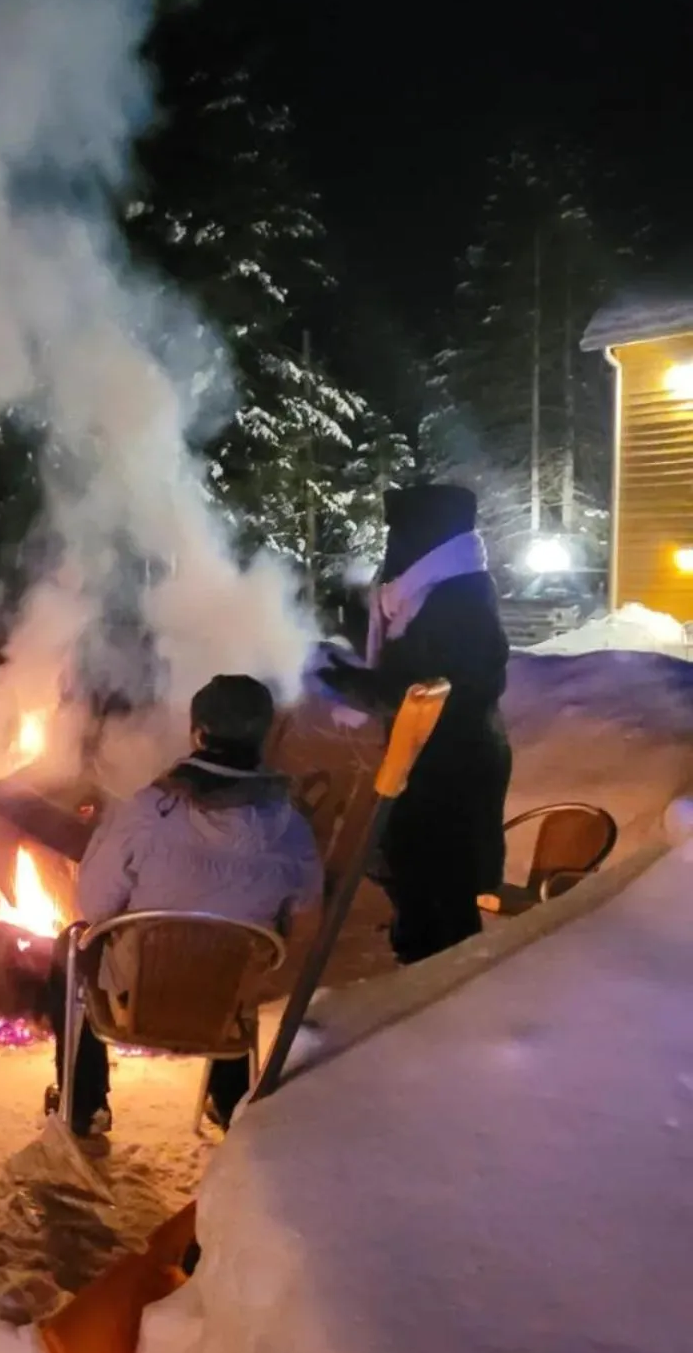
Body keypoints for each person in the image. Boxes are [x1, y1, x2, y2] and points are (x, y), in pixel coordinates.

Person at [48, 674, 323, 1138]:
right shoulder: (293, 831)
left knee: (68, 946)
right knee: (242, 951)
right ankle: (228, 1096)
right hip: (225, 1000)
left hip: (138, 994)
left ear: (197, 734)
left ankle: (84, 1105)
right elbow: (306, 922)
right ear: (264, 736)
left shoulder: (144, 812)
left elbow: (93, 907)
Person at [321, 482, 510, 966]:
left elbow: (430, 690)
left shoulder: (458, 604)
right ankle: (427, 980)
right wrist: (353, 674)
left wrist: (357, 686)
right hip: (436, 765)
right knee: (423, 890)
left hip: (452, 773)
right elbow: (414, 675)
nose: (391, 546)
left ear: (428, 538)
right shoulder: (438, 593)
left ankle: (441, 1004)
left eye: (398, 534)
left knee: (441, 902)